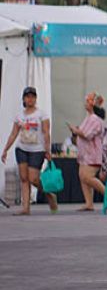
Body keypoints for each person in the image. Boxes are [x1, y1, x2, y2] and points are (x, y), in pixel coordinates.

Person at [2, 86, 57, 215]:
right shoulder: (19, 115)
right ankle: (26, 208)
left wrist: (47, 150)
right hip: (22, 148)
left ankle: (49, 195)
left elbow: (45, 132)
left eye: (32, 96)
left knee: (33, 178)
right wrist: (5, 149)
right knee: (24, 178)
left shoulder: (41, 114)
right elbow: (13, 133)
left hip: (37, 149)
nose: (30, 99)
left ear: (36, 99)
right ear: (24, 99)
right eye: (27, 97)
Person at [68, 91, 106, 211]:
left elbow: (87, 135)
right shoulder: (88, 118)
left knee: (87, 177)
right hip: (85, 153)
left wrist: (75, 130)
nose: (85, 104)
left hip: (92, 153)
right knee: (82, 177)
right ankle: (89, 203)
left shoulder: (95, 119)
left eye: (88, 101)